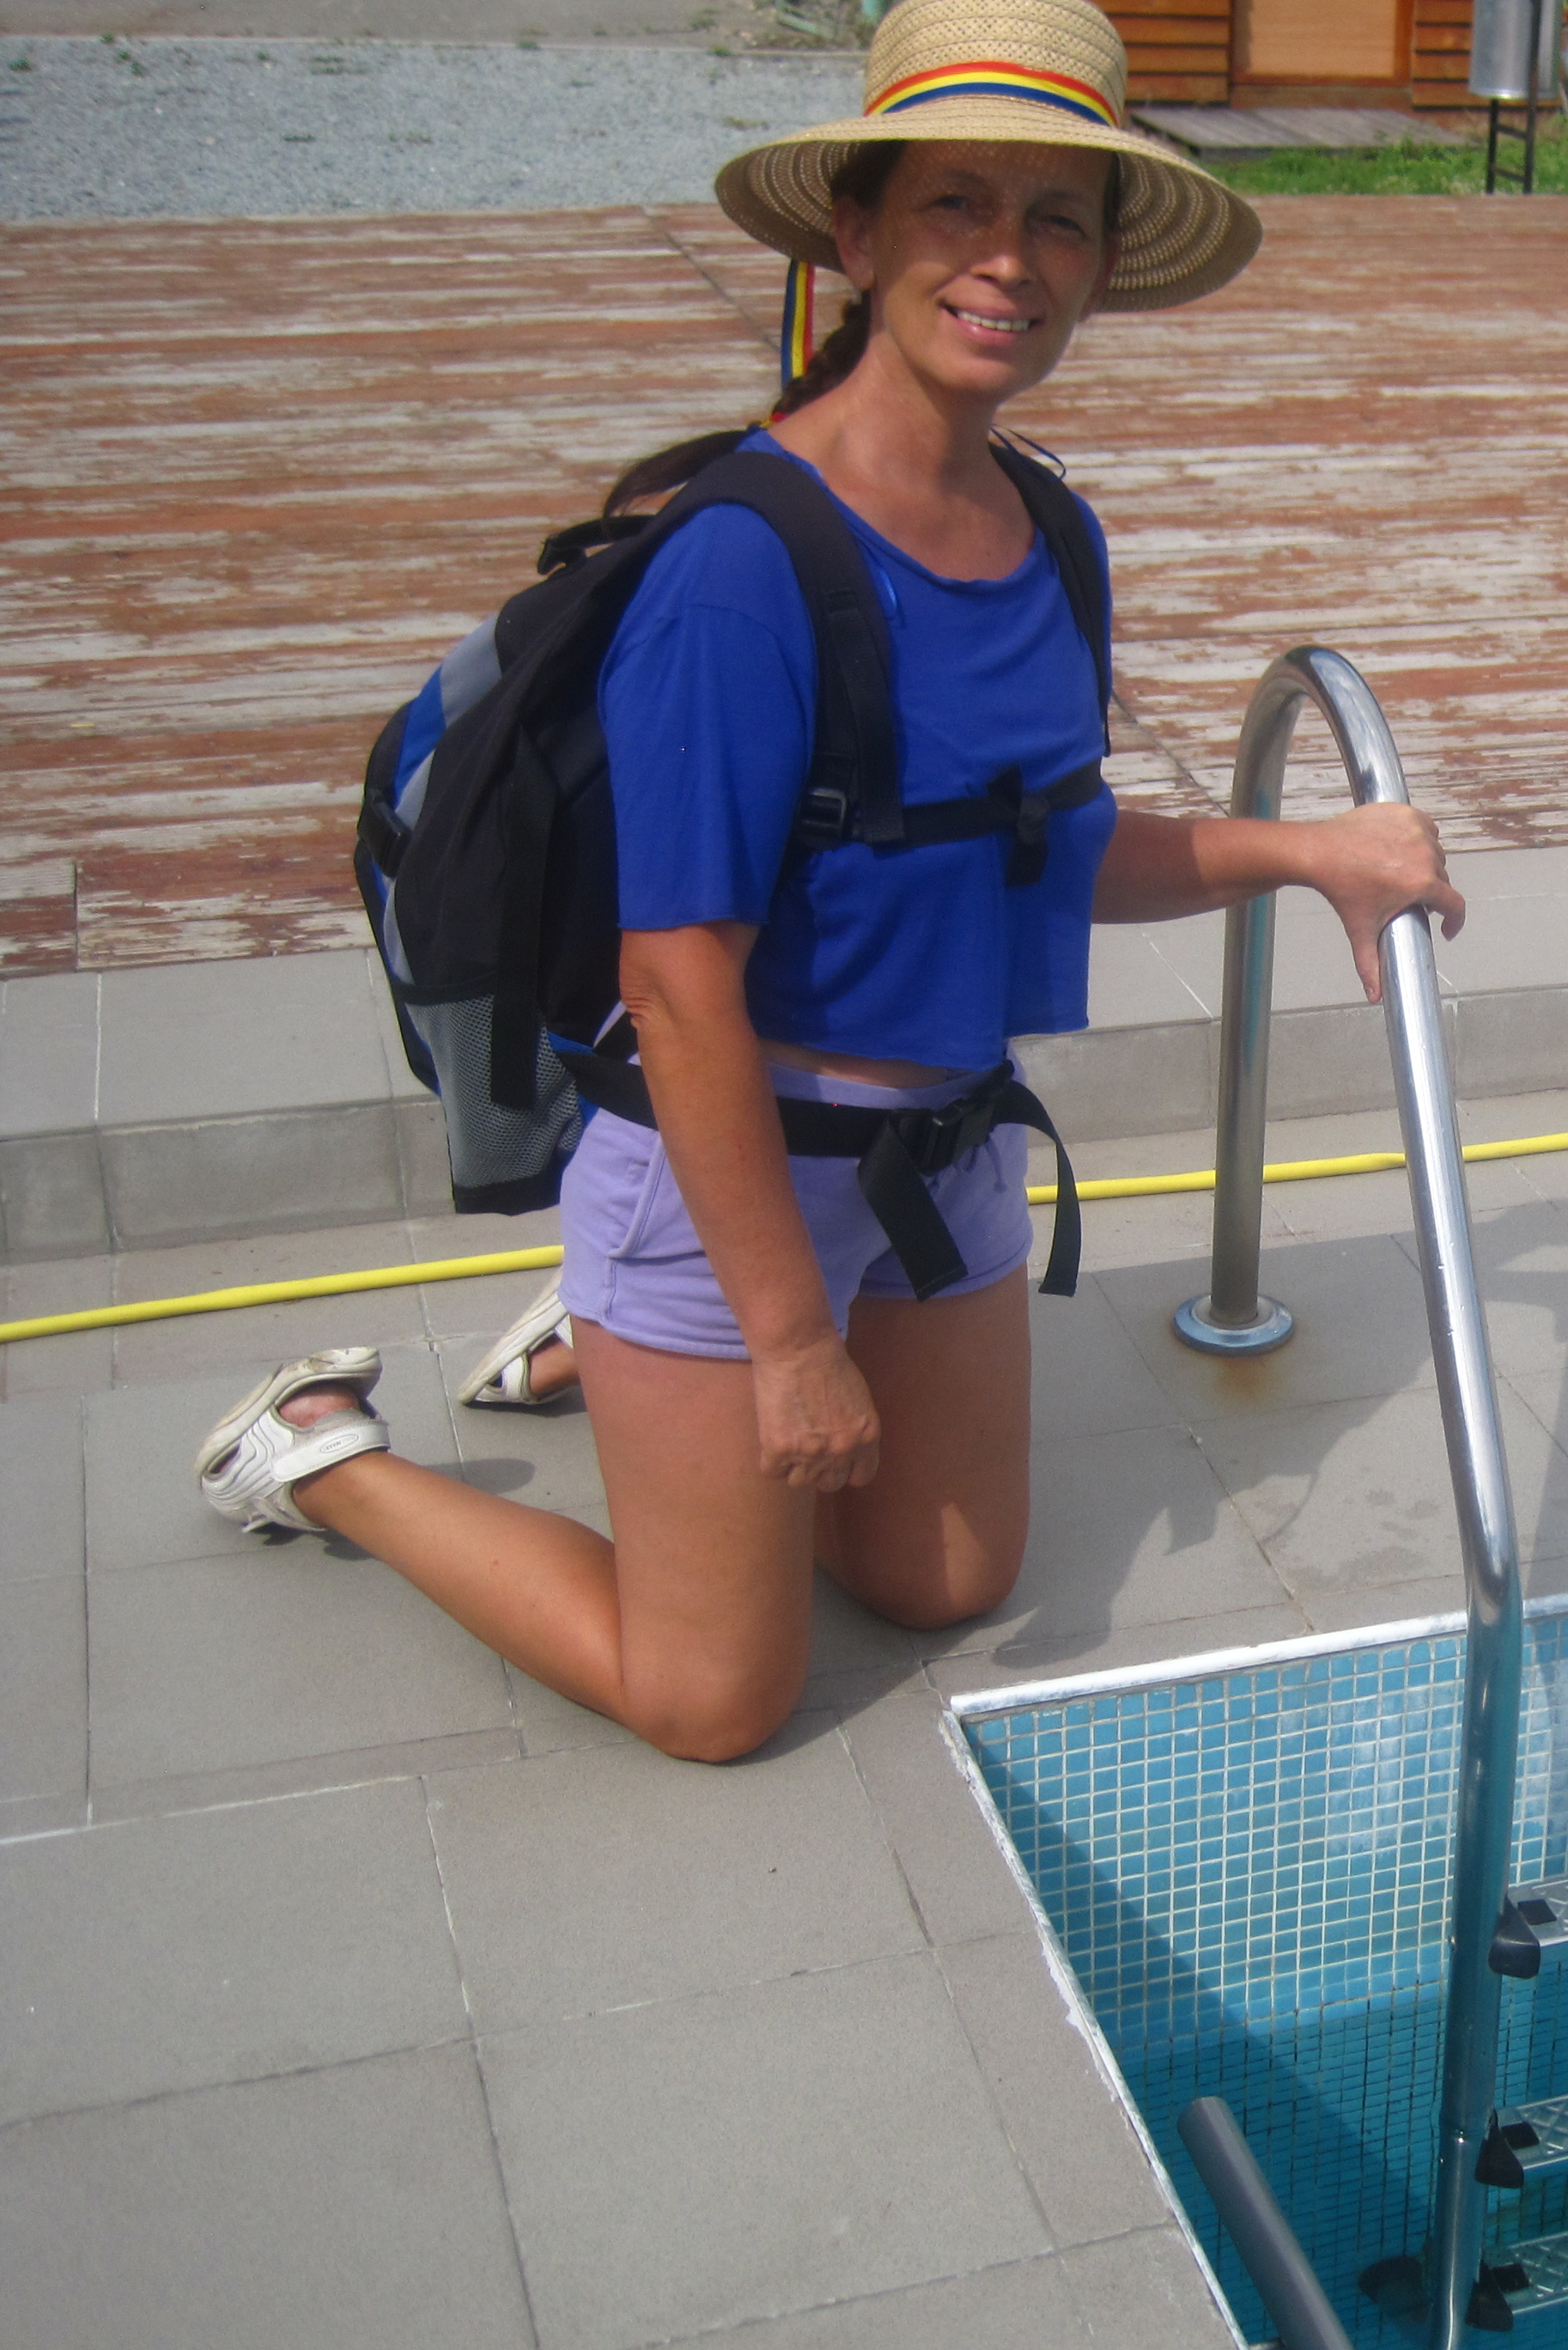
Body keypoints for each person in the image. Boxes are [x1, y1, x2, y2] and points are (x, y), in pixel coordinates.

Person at [194, 0, 1462, 1763]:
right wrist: (786, 1338)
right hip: (726, 1164)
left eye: (1058, 217)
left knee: (943, 1579)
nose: (1009, 258)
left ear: (1102, 266)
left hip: (940, 1148)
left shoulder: (1053, 532)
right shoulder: (741, 568)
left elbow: (1028, 851)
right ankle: (327, 1454)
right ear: (856, 238)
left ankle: (618, 1356)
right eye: (955, 204)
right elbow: (675, 985)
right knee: (712, 1697)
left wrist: (1308, 852)